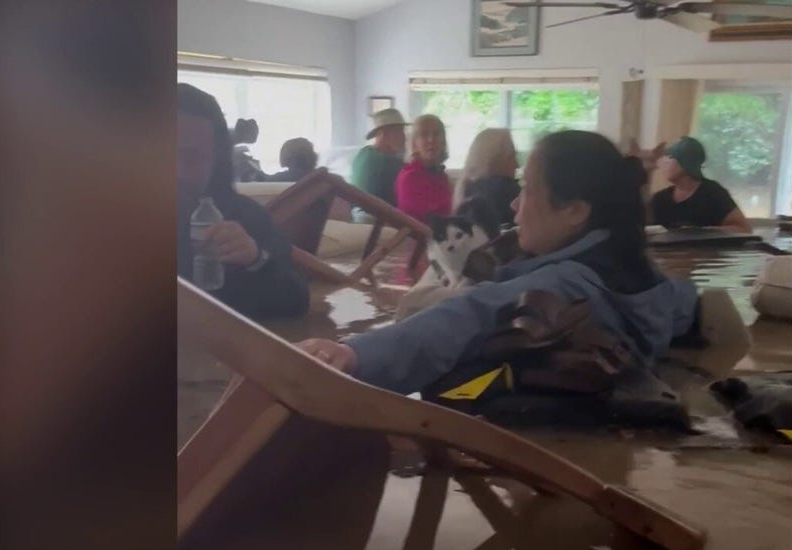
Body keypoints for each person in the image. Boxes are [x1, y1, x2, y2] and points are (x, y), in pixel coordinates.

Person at [295, 130, 699, 395]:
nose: (514, 204)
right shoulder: (639, 273)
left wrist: (357, 354)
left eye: (526, 190)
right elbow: (685, 301)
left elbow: (471, 313)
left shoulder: (568, 284)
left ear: (575, 210)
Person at [177, 83, 310, 319]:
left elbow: (297, 301)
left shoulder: (244, 217)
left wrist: (255, 259)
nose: (176, 171)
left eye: (193, 157)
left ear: (215, 161)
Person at [648, 136, 752, 233]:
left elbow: (743, 229)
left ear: (685, 162)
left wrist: (701, 232)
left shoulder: (713, 193)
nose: (662, 163)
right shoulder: (659, 199)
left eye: (670, 157)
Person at [455, 128, 521, 229]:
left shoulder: (465, 188)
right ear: (495, 159)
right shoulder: (507, 190)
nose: (517, 165)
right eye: (511, 157)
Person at [351, 108, 407, 223]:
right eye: (399, 131)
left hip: (356, 221)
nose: (404, 138)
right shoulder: (389, 163)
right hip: (379, 225)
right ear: (384, 133)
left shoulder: (363, 154)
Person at [395, 114, 453, 224]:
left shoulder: (440, 174)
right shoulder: (410, 177)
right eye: (424, 135)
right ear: (415, 143)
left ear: (443, 141)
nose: (431, 140)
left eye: (436, 134)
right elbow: (433, 219)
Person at [231, 118, 267, 182]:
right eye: (254, 133)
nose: (256, 136)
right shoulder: (227, 137)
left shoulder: (239, 144)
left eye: (257, 133)